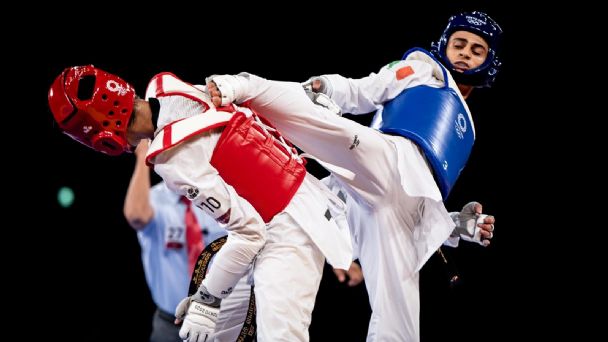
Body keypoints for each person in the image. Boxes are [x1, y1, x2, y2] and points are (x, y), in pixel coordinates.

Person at [203, 10, 499, 341]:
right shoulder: (423, 69)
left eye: (477, 50)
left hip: (392, 211)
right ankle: (242, 86)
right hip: (384, 159)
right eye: (460, 43)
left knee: (400, 325)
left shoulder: (465, 130)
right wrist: (329, 86)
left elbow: (418, 199)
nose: (465, 53)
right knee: (327, 126)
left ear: (489, 61)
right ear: (445, 45)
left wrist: (453, 225)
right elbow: (366, 90)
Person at [48, 66, 353, 342]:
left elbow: (250, 232)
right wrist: (204, 298)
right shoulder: (170, 89)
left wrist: (208, 297)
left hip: (289, 226)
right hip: (300, 192)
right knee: (211, 331)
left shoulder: (174, 161)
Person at [123, 140, 250, 342]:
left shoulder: (221, 196)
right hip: (169, 325)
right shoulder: (153, 200)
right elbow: (136, 216)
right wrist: (141, 158)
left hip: (218, 320)